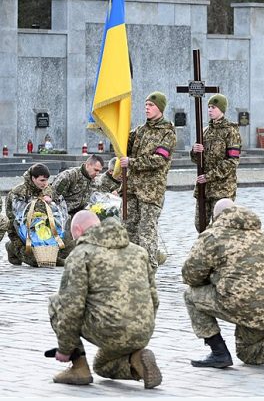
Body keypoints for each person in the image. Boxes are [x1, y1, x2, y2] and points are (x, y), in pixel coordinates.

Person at [182, 200, 264, 374]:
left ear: (217, 217)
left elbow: (190, 275)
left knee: (191, 295)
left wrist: (212, 279)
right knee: (248, 352)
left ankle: (218, 352)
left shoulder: (213, 236)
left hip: (236, 302)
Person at [48, 211, 160, 388]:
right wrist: (142, 324)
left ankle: (79, 368)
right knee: (102, 366)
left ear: (77, 230)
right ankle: (136, 360)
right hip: (143, 330)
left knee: (56, 303)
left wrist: (66, 349)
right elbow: (154, 297)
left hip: (109, 329)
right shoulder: (139, 251)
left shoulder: (81, 254)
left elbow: (71, 307)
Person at [121, 91, 176, 269]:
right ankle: (132, 266)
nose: (147, 108)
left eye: (151, 105)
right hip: (132, 189)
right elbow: (122, 143)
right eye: (145, 105)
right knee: (129, 229)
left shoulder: (167, 133)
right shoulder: (140, 130)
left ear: (160, 108)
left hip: (151, 191)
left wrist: (132, 162)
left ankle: (149, 268)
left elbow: (159, 160)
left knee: (146, 231)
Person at [190, 94, 242, 231]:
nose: (210, 110)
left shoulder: (231, 131)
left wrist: (209, 176)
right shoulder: (205, 131)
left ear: (221, 109)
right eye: (208, 107)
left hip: (222, 188)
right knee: (200, 224)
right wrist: (195, 151)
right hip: (204, 189)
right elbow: (196, 160)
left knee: (221, 226)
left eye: (213, 107)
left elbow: (232, 161)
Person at [4, 163, 67, 266]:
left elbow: (59, 207)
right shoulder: (18, 192)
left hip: (44, 229)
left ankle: (53, 256)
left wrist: (51, 201)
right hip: (22, 232)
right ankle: (11, 247)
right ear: (33, 178)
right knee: (35, 261)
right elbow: (12, 218)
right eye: (42, 180)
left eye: (47, 180)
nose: (45, 183)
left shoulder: (47, 189)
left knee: (51, 259)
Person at [50, 154, 104, 253]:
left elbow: (96, 197)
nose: (97, 173)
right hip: (64, 216)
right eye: (96, 170)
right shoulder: (69, 176)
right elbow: (53, 197)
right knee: (67, 247)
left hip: (82, 215)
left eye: (100, 171)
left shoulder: (95, 181)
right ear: (87, 165)